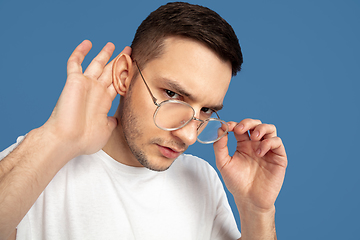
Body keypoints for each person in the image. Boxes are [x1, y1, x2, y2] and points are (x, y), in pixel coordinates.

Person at [0, 2, 287, 240]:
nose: (188, 135)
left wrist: (256, 211)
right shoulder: (37, 166)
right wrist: (57, 136)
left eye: (206, 111)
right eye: (173, 94)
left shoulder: (201, 179)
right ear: (125, 75)